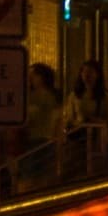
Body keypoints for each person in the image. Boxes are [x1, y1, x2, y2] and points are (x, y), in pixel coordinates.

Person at [18, 62, 63, 190]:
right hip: (29, 140)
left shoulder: (49, 97)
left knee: (38, 178)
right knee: (29, 176)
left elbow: (56, 120)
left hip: (42, 140)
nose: (30, 78)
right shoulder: (28, 95)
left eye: (33, 75)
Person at [64, 61, 108, 177]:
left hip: (96, 139)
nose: (86, 75)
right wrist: (78, 122)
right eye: (84, 72)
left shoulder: (104, 97)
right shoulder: (75, 95)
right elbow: (69, 118)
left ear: (97, 75)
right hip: (77, 138)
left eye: (90, 72)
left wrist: (94, 120)